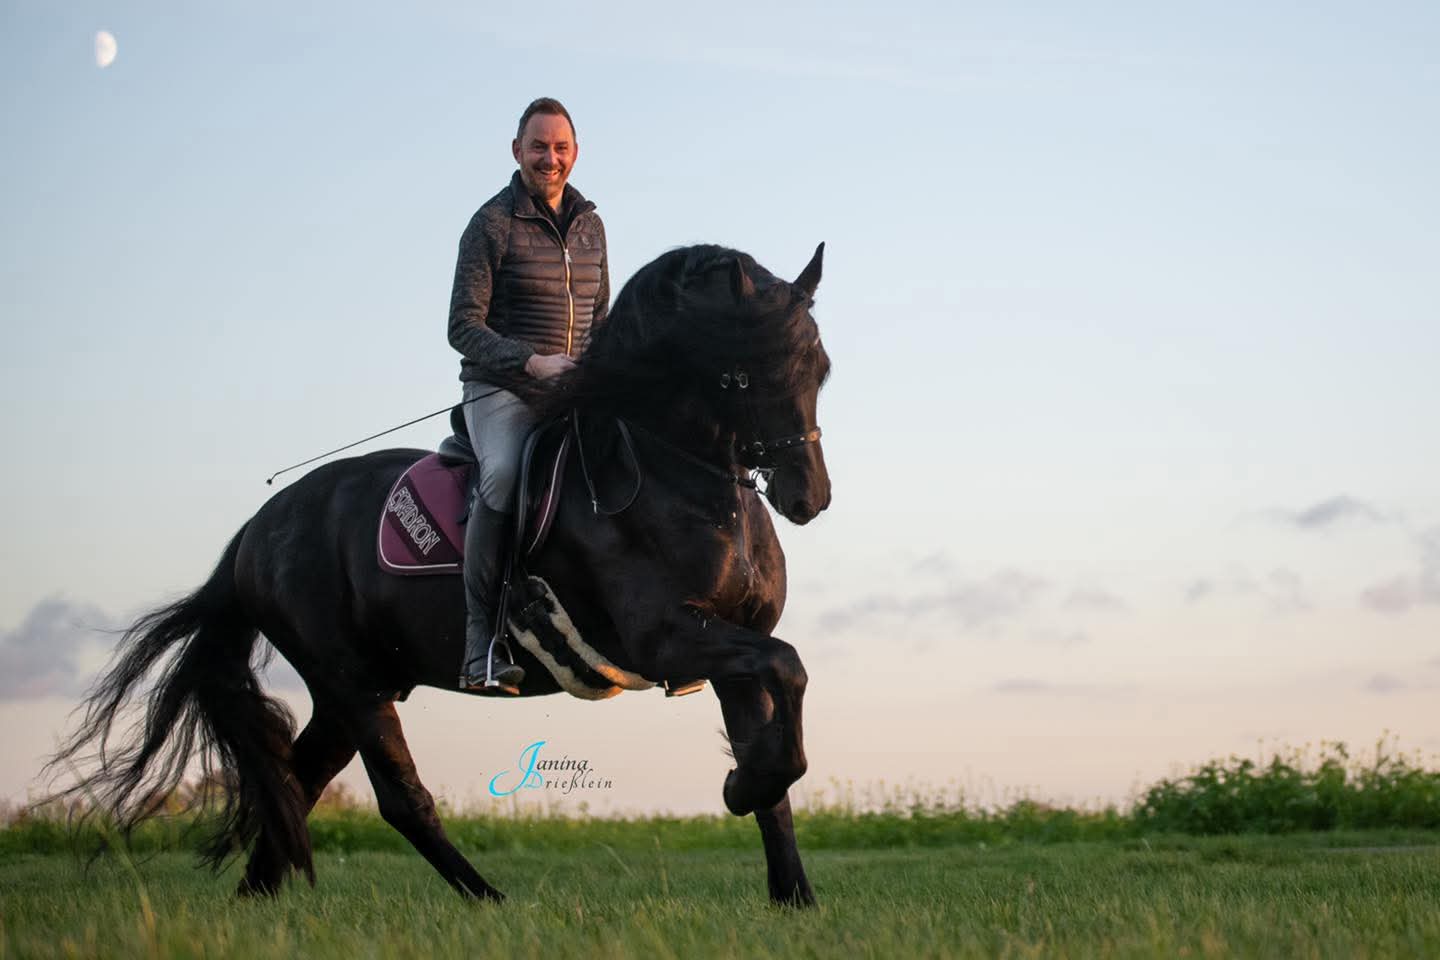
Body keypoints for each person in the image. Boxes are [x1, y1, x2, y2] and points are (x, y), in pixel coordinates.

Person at [447, 97, 609, 691]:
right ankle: (480, 648)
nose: (550, 158)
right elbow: (462, 326)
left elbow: (601, 320)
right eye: (539, 147)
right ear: (517, 151)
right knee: (507, 475)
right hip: (500, 389)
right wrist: (531, 361)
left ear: (575, 152)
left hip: (572, 391)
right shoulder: (489, 223)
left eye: (560, 147)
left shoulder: (592, 225)